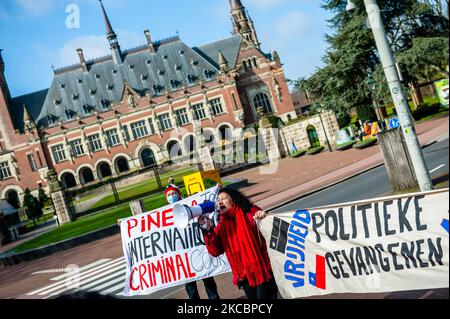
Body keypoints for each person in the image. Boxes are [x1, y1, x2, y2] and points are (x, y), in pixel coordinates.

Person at [198, 188, 278, 300]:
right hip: (244, 275)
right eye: (218, 199)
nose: (220, 201)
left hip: (262, 271)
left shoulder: (250, 213)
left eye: (224, 198)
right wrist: (207, 230)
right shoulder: (221, 225)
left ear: (234, 200)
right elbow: (215, 251)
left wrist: (263, 216)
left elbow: (270, 230)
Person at [164, 184, 220, 300]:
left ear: (179, 195)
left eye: (173, 193)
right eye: (169, 195)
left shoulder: (189, 204)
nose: (171, 196)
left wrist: (215, 189)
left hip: (198, 250)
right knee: (190, 288)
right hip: (184, 256)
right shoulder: (163, 213)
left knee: (208, 279)